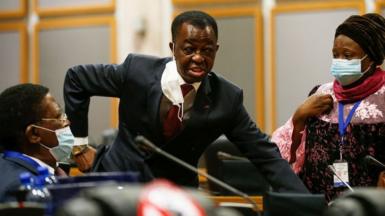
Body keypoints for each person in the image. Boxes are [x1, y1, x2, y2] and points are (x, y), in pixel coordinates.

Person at [63, 10, 308, 193]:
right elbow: (77, 79)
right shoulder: (136, 71)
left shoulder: (227, 99)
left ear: (216, 49)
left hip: (175, 197)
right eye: (189, 49)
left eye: (207, 50)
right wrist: (80, 144)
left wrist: (308, 202)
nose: (198, 58)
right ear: (173, 47)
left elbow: (264, 154)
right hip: (118, 185)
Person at [272, 13, 385, 201]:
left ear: (371, 58)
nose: (339, 61)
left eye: (347, 56)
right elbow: (280, 154)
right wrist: (299, 117)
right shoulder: (321, 93)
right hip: (317, 204)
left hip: (367, 206)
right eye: (335, 55)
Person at [0, 83, 75, 202]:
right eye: (58, 116)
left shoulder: (53, 171)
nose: (67, 122)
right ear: (34, 134)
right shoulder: (22, 190)